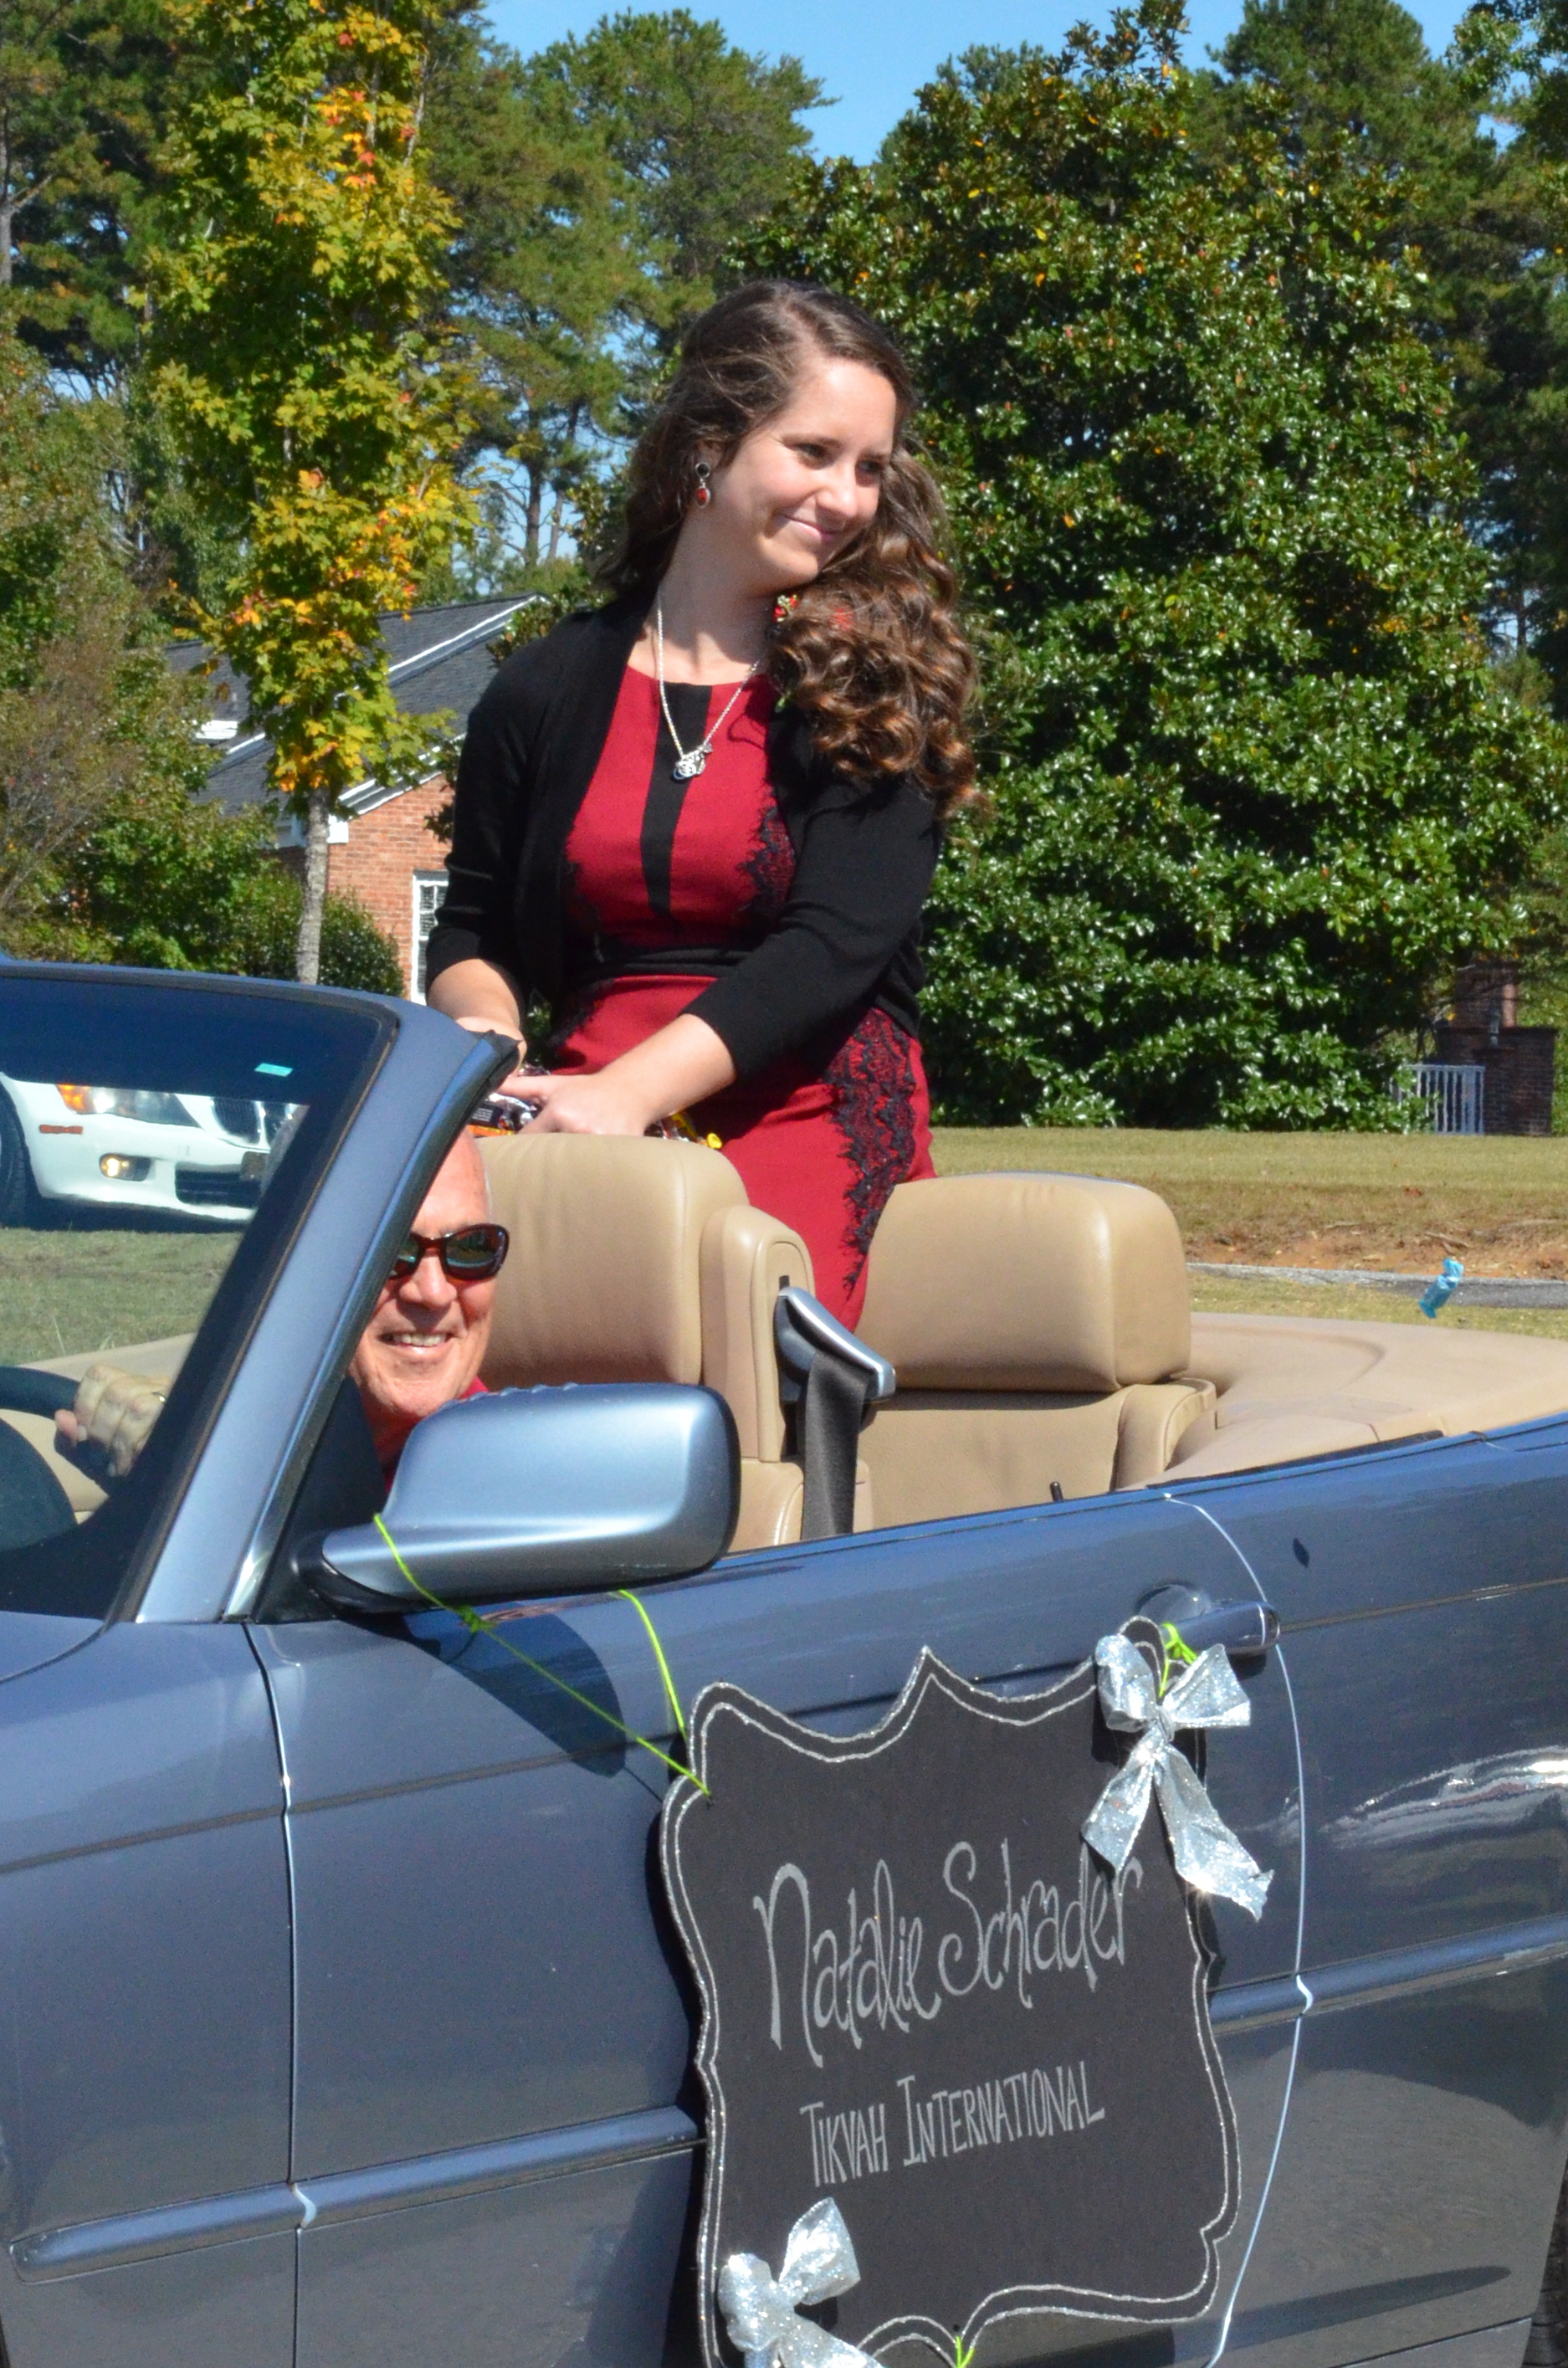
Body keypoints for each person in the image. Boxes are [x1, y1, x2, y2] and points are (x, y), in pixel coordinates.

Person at [424, 279, 976, 1325]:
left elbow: (831, 950)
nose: (847, 497)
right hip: (573, 1110)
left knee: (732, 1360)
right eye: (812, 453)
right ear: (706, 448)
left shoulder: (872, 685)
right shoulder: (544, 685)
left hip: (799, 1099)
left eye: (868, 467)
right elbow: (471, 927)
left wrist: (630, 1096)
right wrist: (491, 1046)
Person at [57, 1134, 507, 1482]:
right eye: (387, 1248)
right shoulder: (239, 1432)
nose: (432, 1292)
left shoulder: (517, 1483)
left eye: (471, 1247)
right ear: (285, 1262)